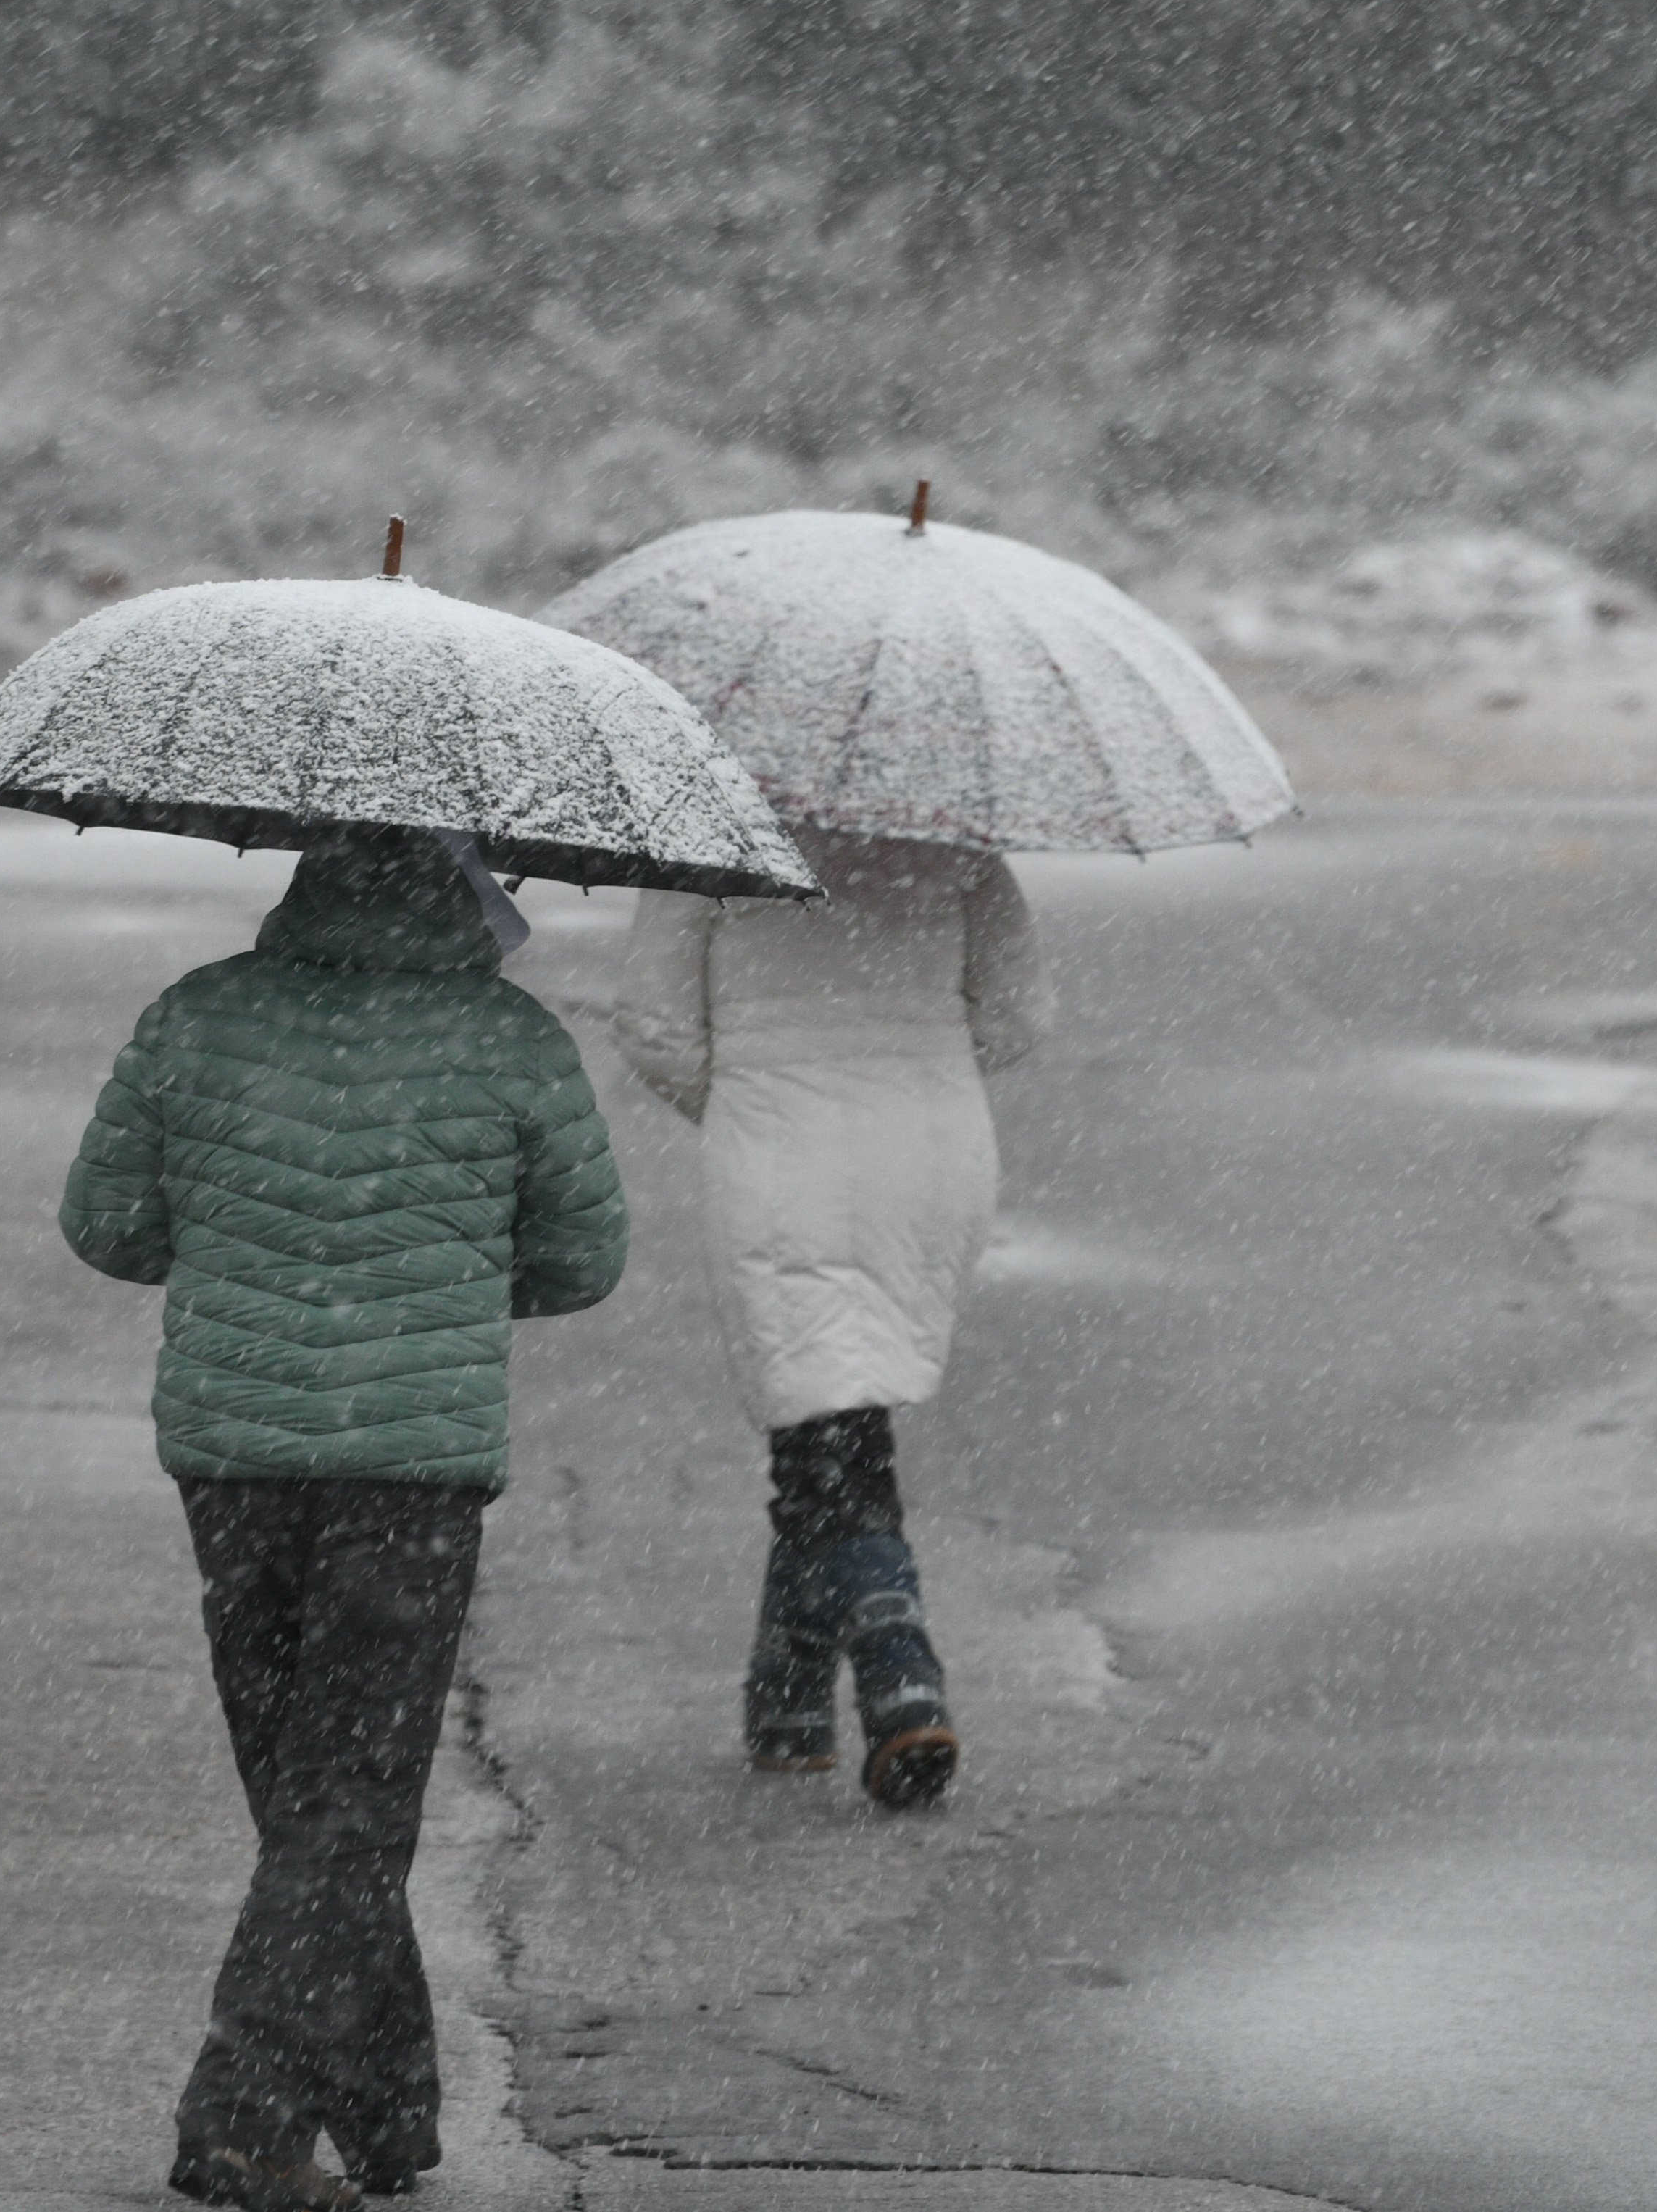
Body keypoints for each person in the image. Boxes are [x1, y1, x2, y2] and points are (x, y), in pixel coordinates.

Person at [62, 826, 627, 2212]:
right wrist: (434, 1287)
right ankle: (244, 2121)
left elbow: (109, 1226)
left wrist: (249, 1249)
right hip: (410, 1475)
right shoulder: (508, 1040)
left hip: (234, 1462)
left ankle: (384, 2104)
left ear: (305, 863)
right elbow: (580, 1259)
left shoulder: (197, 1013)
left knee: (306, 1794)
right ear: (465, 886)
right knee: (349, 1806)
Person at [609, 824, 1048, 1807]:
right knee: (833, 1409)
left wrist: (753, 1103)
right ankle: (788, 1701)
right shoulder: (950, 837)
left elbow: (656, 1029)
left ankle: (901, 1670)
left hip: (779, 1154)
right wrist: (916, 1076)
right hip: (929, 1156)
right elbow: (1018, 1014)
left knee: (826, 1409)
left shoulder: (704, 836)